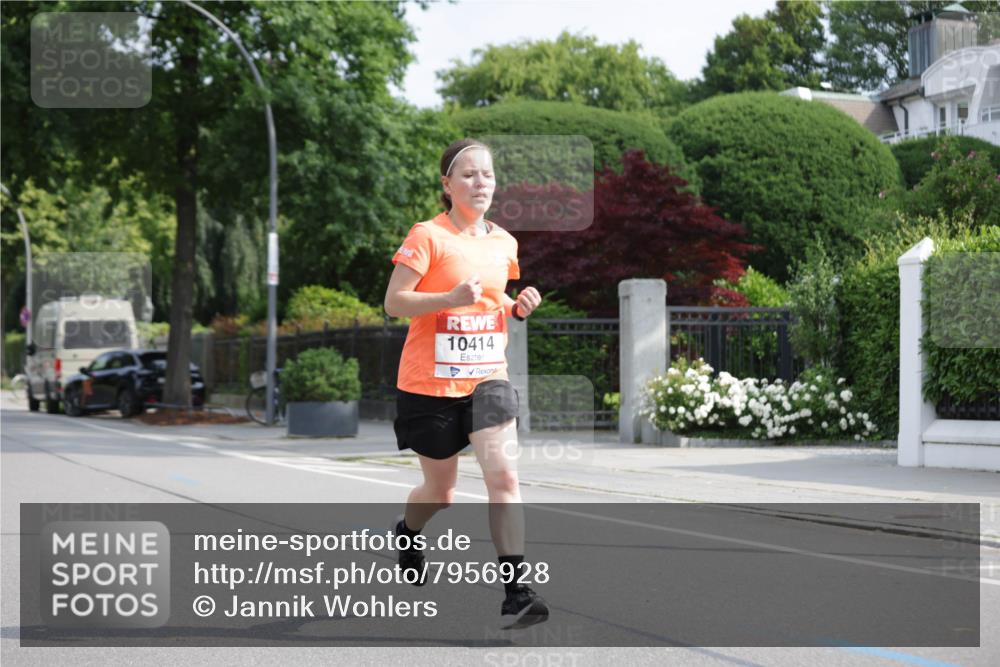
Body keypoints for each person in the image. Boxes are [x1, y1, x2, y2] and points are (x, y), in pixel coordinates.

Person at [383, 138, 548, 630]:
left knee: (505, 479)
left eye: (489, 175)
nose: (481, 184)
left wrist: (518, 308)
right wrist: (448, 296)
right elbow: (395, 302)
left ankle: (516, 591)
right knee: (442, 493)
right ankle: (409, 532)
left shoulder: (504, 242)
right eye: (470, 175)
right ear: (447, 185)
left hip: (486, 379)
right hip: (429, 385)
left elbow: (495, 300)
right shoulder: (427, 236)